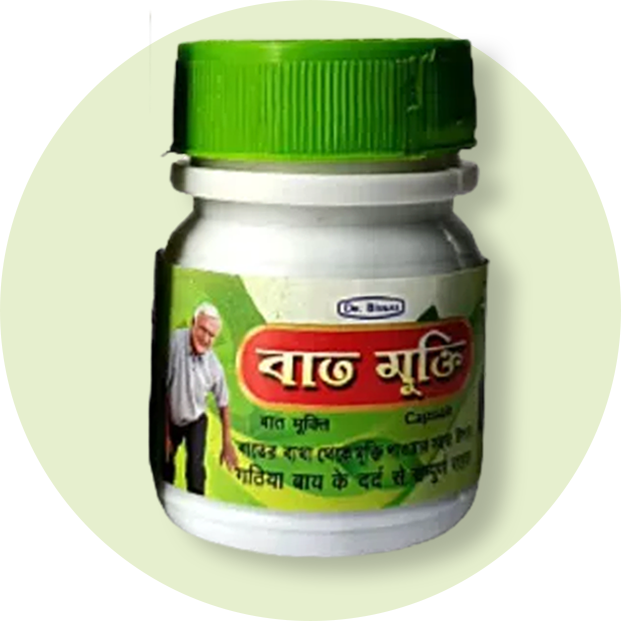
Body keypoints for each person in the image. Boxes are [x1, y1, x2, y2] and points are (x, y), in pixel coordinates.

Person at [164, 303, 238, 495]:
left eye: (211, 335)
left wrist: (227, 443)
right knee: (164, 461)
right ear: (193, 323)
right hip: (169, 413)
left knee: (195, 469)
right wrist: (164, 434)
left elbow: (224, 404)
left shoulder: (214, 366)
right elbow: (160, 388)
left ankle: (197, 499)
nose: (205, 338)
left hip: (195, 419)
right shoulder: (174, 343)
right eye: (202, 330)